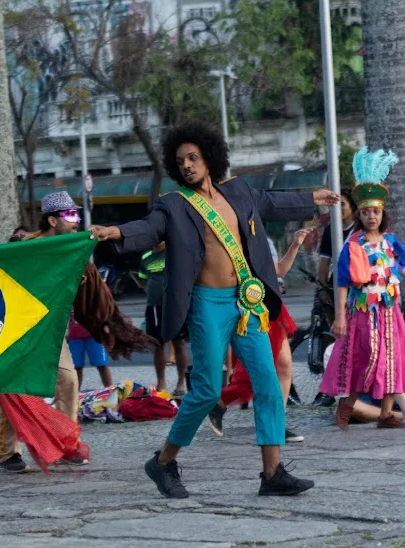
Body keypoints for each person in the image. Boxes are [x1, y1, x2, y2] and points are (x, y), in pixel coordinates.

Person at [89, 120, 337, 498]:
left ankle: (272, 474)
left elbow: (271, 203)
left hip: (247, 301)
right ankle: (164, 461)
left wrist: (311, 198)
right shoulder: (173, 205)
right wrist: (117, 232)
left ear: (209, 157)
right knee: (205, 391)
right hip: (207, 305)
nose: (187, 165)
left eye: (193, 157)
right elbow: (149, 226)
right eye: (180, 161)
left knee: (269, 384)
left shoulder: (238, 192)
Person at [0, 191, 156, 473]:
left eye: (77, 214)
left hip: (52, 332)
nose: (76, 220)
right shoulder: (23, 248)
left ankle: (67, 443)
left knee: (69, 380)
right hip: (18, 331)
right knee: (15, 389)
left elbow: (92, 289)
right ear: (52, 220)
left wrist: (106, 321)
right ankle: (9, 453)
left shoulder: (75, 249)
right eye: (70, 215)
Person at [320, 147, 405, 430]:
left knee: (392, 359)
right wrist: (341, 316)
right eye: (366, 212)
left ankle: (385, 413)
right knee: (364, 359)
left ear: (382, 214)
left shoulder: (391, 242)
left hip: (390, 312)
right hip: (362, 313)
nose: (371, 217)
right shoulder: (354, 244)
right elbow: (343, 281)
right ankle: (347, 405)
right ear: (360, 214)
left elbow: (401, 267)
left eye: (376, 212)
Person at [207, 229, 313, 443]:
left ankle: (277, 424)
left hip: (270, 309)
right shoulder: (224, 241)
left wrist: (295, 244)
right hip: (247, 313)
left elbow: (279, 270)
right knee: (259, 373)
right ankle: (220, 402)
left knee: (284, 366)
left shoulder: (259, 239)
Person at [312, 188, 357, 408]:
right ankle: (330, 388)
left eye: (343, 205)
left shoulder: (359, 229)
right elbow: (323, 264)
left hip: (357, 290)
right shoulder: (330, 230)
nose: (338, 210)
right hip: (334, 289)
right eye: (334, 206)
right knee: (334, 337)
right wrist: (322, 288)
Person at [133, 241, 188, 396]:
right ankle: (161, 382)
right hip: (153, 306)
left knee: (179, 342)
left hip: (175, 305)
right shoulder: (146, 256)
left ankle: (181, 383)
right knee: (157, 344)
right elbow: (142, 279)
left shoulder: (174, 253)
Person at [68, 310, 113, 389]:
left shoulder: (90, 297)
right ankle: (74, 395)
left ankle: (111, 391)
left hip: (94, 335)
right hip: (74, 337)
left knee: (101, 365)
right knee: (76, 367)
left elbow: (103, 306)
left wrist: (106, 323)